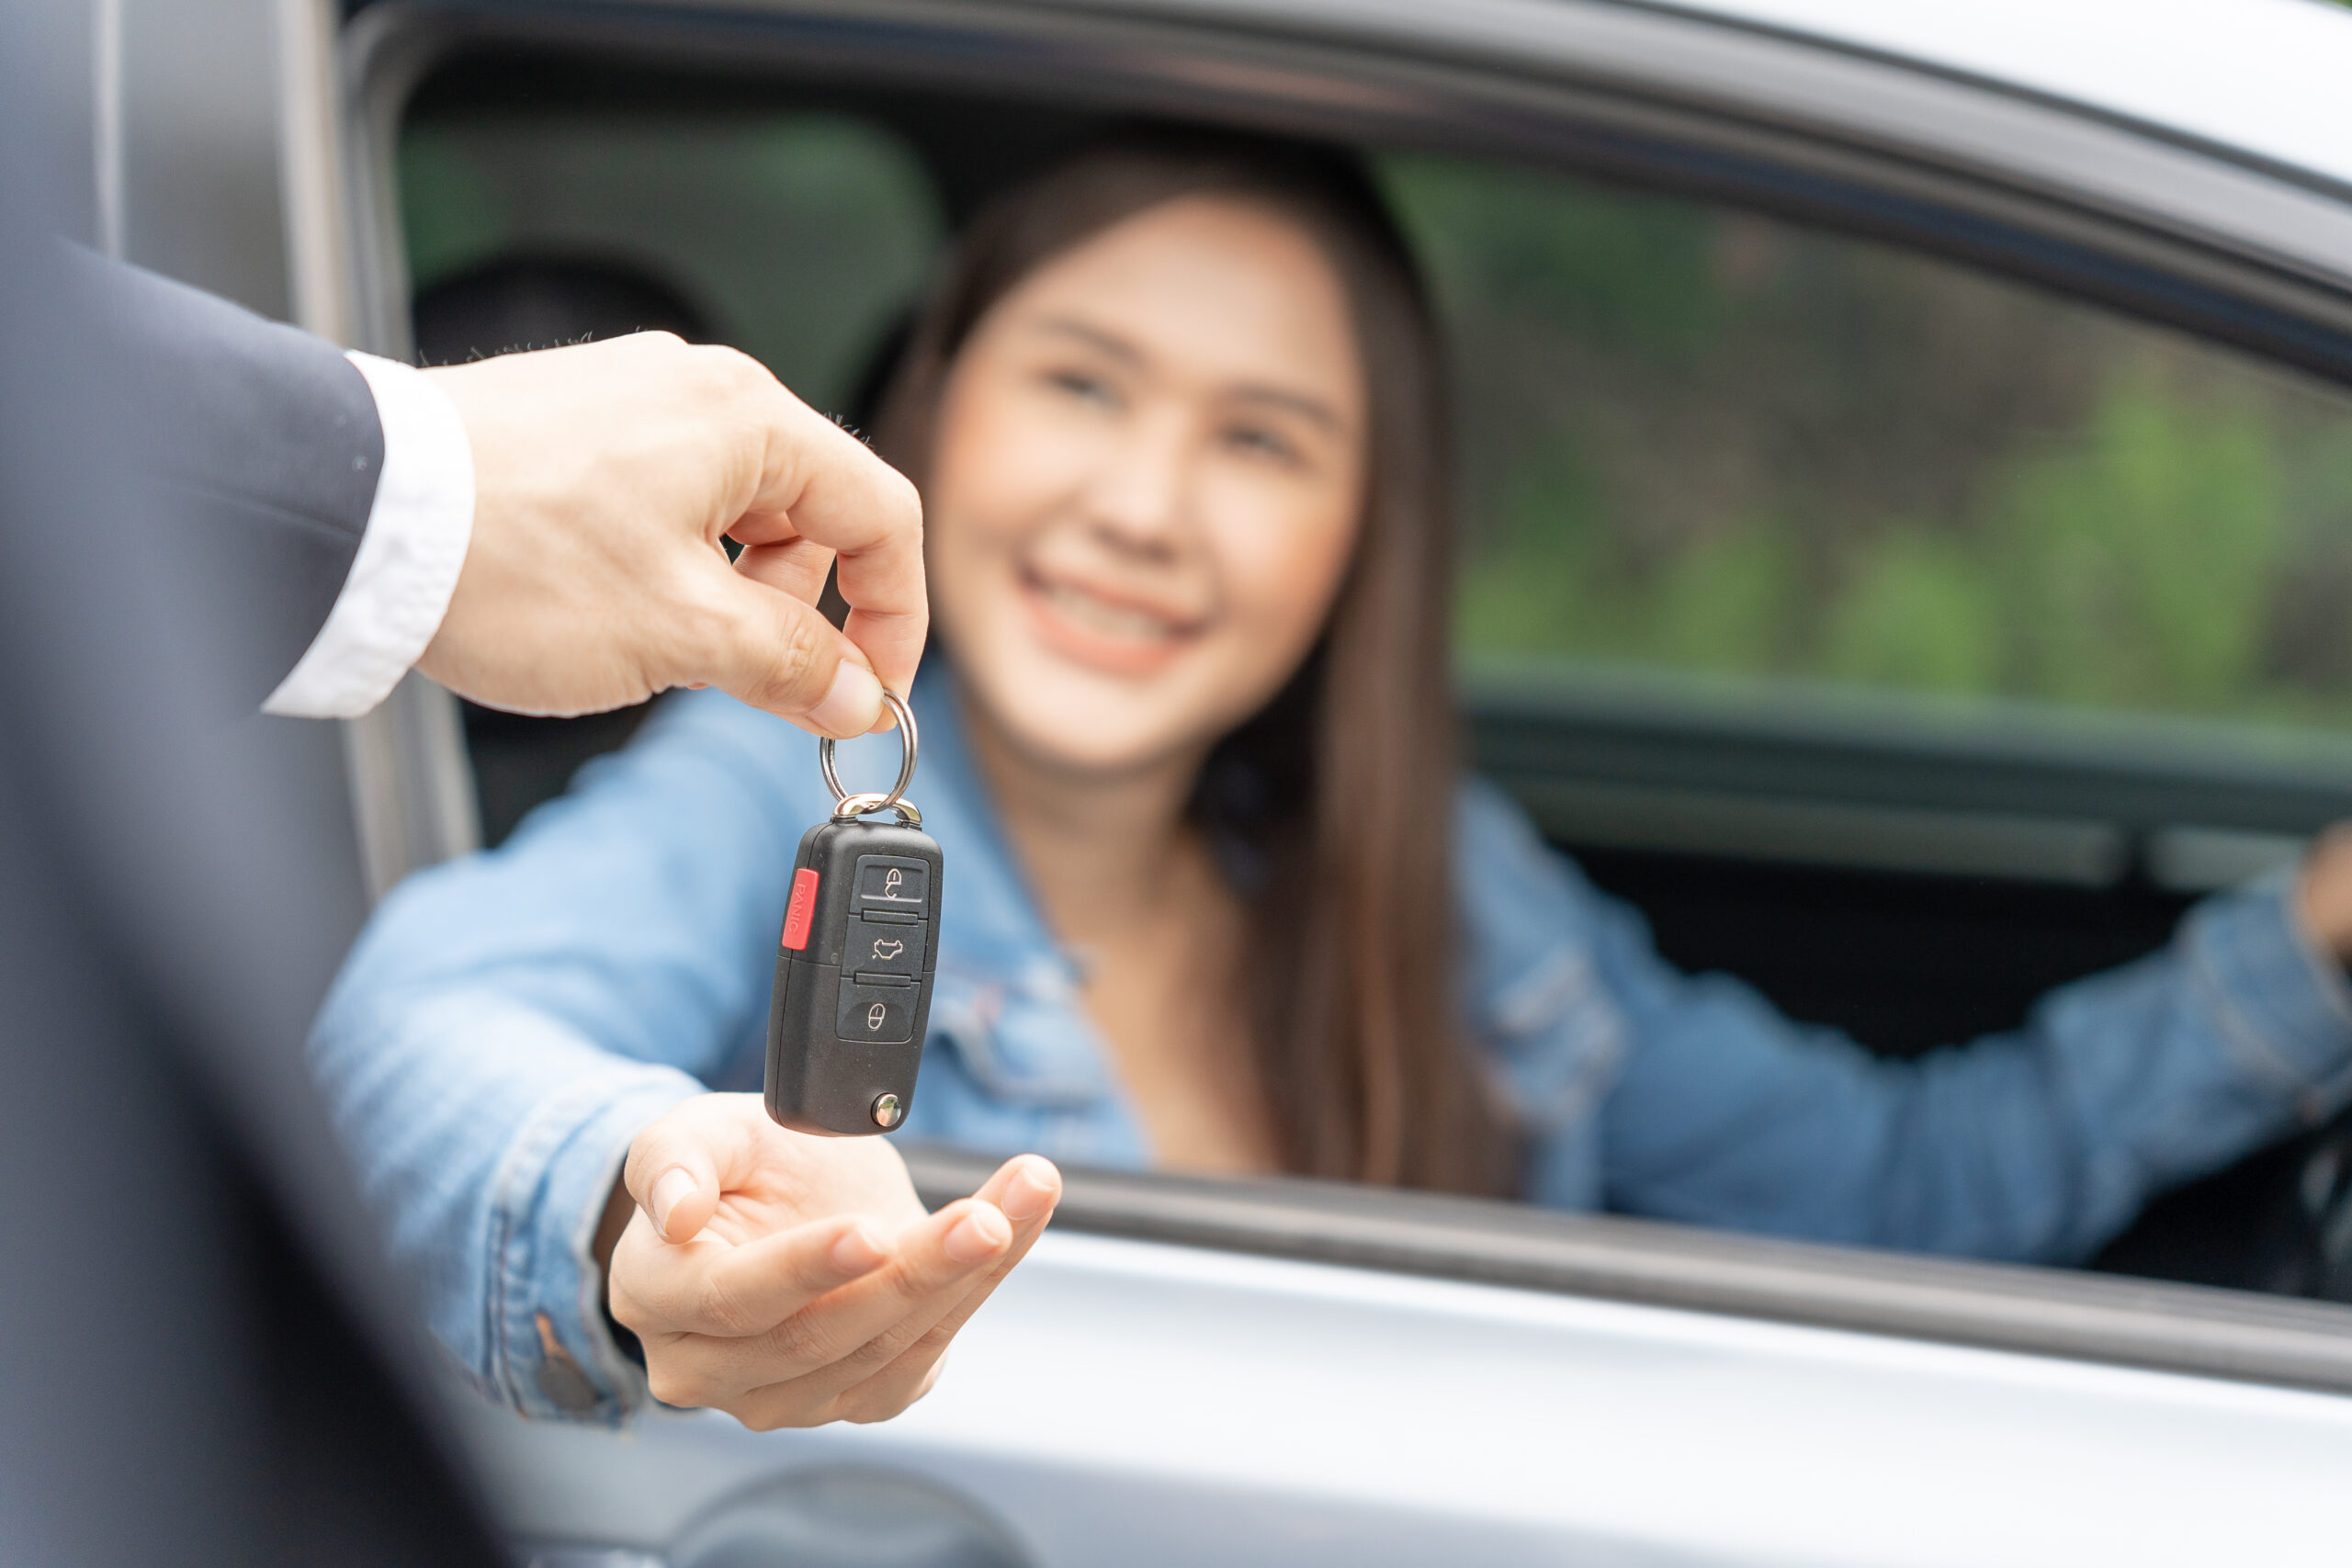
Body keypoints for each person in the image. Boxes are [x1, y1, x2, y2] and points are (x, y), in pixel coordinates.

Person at [312, 130, 2352, 1427]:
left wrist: (2314, 940)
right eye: (1082, 384)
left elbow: (1904, 1197)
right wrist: (626, 1207)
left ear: (1361, 536)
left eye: (1263, 440)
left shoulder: (1450, 891)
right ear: (928, 411)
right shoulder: (773, 801)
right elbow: (411, 1043)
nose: (1143, 505)